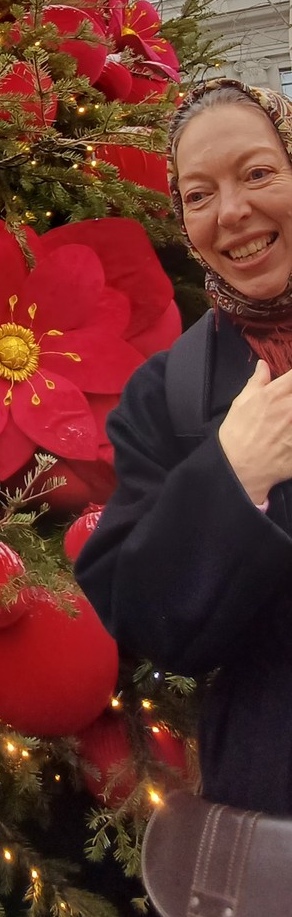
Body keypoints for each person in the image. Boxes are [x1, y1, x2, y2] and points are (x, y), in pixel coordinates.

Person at [76, 78, 292, 820]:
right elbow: (148, 623)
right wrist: (232, 478)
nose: (232, 213)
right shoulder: (168, 395)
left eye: (258, 174)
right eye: (199, 195)